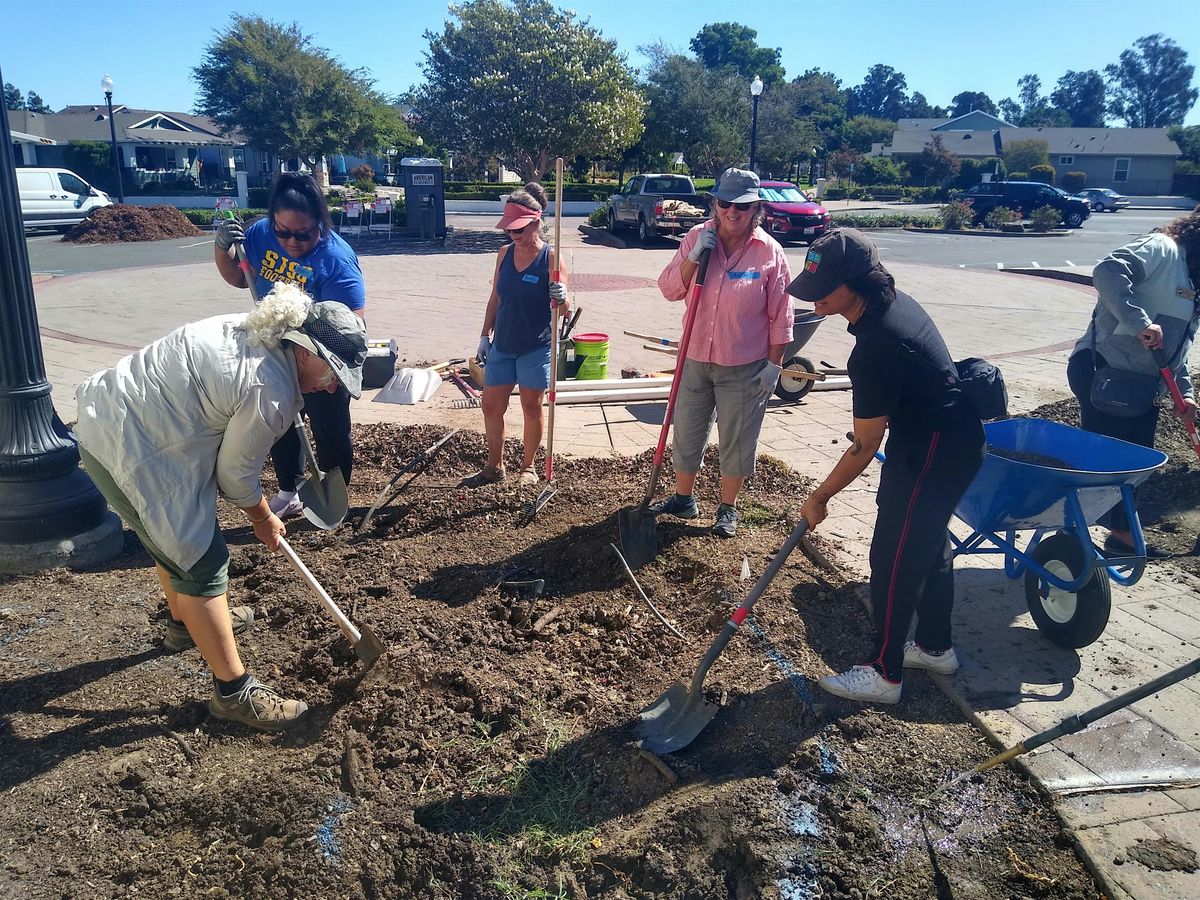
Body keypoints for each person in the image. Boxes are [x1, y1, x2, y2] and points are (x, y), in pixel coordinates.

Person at [74, 285, 368, 731]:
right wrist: (263, 516)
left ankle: (183, 623)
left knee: (169, 541)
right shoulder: (268, 388)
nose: (330, 385)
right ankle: (233, 693)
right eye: (332, 372)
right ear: (306, 352)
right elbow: (235, 477)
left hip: (109, 418)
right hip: (134, 448)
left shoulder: (258, 331)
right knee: (203, 563)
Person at [792, 229, 985, 705]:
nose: (812, 296)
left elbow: (863, 445)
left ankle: (884, 672)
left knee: (893, 557)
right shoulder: (889, 305)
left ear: (856, 284)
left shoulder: (877, 344)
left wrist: (820, 496)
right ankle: (936, 647)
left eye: (823, 287)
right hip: (947, 441)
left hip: (932, 450)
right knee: (928, 542)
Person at [214, 172, 367, 519]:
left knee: (330, 429)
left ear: (320, 225)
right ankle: (290, 491)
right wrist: (221, 248)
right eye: (283, 232)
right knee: (281, 423)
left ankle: (333, 498)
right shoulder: (259, 233)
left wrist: (328, 372)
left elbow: (350, 323)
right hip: (276, 349)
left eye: (303, 234)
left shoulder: (338, 260)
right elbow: (240, 278)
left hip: (318, 356)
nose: (292, 242)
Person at [652, 167, 793, 537]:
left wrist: (774, 366)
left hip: (745, 365)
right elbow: (669, 289)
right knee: (687, 430)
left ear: (756, 208)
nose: (732, 212)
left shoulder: (770, 253)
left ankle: (727, 508)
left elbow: (781, 315)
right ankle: (683, 499)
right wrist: (694, 256)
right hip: (695, 357)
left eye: (742, 206)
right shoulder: (698, 237)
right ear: (715, 203)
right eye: (725, 203)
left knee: (737, 436)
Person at [1067, 212, 1200, 558]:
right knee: (1118, 463)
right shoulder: (1162, 249)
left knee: (1136, 463)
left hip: (1138, 385)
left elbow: (1175, 352)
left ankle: (1119, 539)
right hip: (1106, 372)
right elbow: (1107, 271)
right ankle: (1095, 537)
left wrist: (1184, 396)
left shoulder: (1192, 284)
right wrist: (1140, 321)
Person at [464, 182, 568, 488]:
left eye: (519, 229)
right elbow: (496, 297)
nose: (513, 235)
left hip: (536, 347)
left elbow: (565, 310)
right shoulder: (503, 254)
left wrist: (562, 296)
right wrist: (485, 336)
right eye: (509, 230)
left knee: (531, 407)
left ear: (536, 222)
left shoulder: (551, 258)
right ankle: (494, 466)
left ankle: (529, 467)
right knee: (491, 406)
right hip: (503, 345)